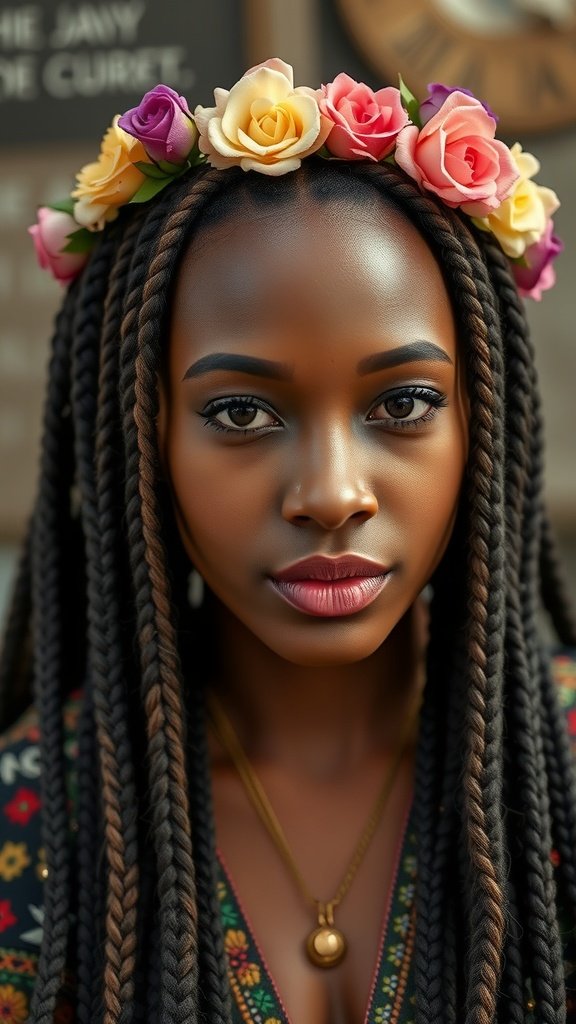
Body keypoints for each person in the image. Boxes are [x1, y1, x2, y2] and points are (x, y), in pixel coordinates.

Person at [0, 58, 575, 1024]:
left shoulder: (562, 765)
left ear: (483, 421)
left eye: (404, 403)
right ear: (142, 438)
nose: (332, 494)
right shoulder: (32, 819)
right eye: (240, 413)